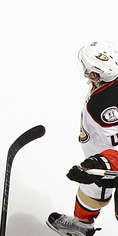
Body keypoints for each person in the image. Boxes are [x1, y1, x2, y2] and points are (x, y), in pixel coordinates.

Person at [47, 41, 118, 236]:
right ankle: (82, 225)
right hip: (103, 159)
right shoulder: (107, 86)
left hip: (109, 162)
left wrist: (102, 164)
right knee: (91, 190)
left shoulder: (105, 105)